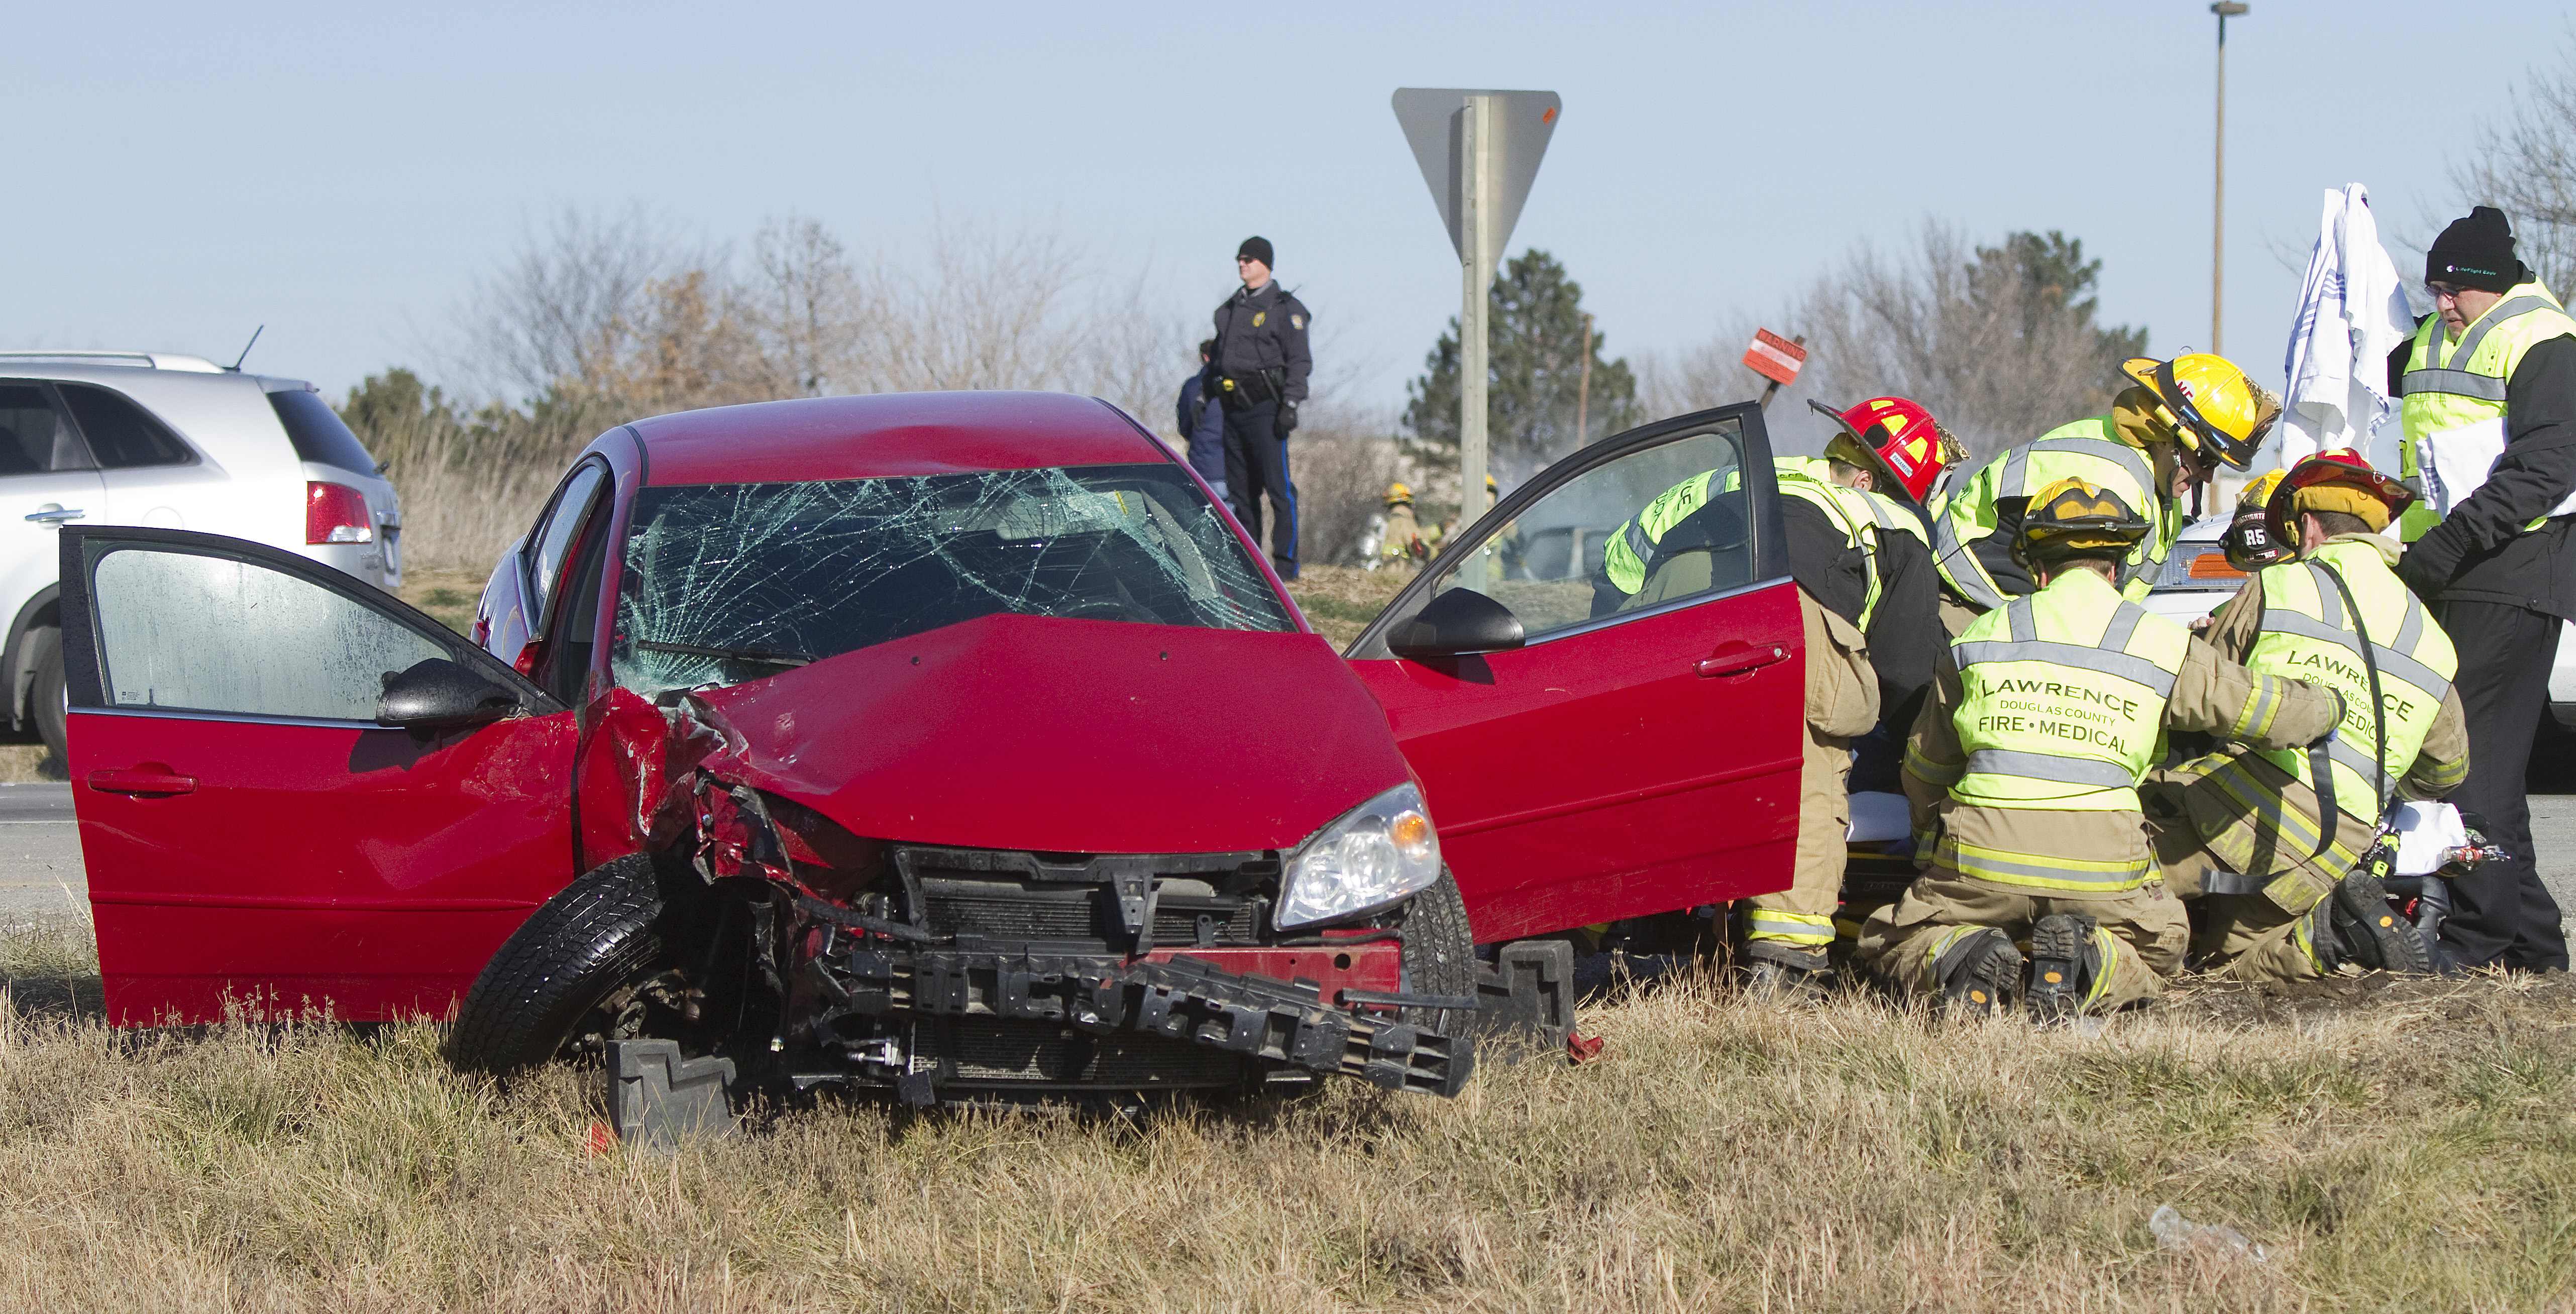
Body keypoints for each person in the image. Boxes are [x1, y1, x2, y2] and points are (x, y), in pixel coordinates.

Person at [1857, 479, 2339, 1016]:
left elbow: (1926, 766)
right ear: (2116, 570)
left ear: (2038, 571)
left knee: (1894, 937)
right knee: (2161, 946)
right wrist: (2329, 706)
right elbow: (2262, 711)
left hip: (1981, 856)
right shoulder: (2160, 642)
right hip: (2103, 865)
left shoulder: (1979, 638)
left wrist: (1934, 843)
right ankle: (2092, 961)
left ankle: (1963, 955)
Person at [2144, 450, 2465, 980]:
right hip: (2339, 845)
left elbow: (2199, 695)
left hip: (2243, 804)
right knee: (2230, 966)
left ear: (2309, 526)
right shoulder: (2430, 635)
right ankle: (2331, 940)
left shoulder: (2279, 585)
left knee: (2113, 880)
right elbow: (2445, 772)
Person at [2388, 205, 2576, 973]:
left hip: (2512, 571)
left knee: (2468, 768)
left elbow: (2548, 467)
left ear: (2491, 284)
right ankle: (2534, 952)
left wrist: (2451, 543)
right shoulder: (2438, 333)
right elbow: (2372, 370)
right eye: (2432, 289)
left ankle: (2474, 942)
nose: (2441, 304)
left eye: (2453, 291)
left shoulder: (2543, 340)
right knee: (2487, 771)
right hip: (2455, 570)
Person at [1933, 354, 2278, 634]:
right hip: (1972, 611)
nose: (2209, 475)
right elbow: (2080, 616)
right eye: (2205, 458)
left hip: (2011, 617)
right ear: (2167, 434)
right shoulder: (2112, 489)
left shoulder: (2150, 479)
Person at [1212, 236, 1313, 579]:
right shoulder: (1229, 310)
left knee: (1279, 490)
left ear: (1266, 265)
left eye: (1249, 259)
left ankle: (1286, 566)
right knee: (1241, 492)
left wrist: (1291, 403)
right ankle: (1250, 567)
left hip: (1268, 409)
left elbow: (1299, 361)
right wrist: (1203, 398)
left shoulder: (1285, 309)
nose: (1242, 264)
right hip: (1233, 410)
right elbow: (1219, 362)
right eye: (1239, 259)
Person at [1173, 340, 1229, 502]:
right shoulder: (1234, 385)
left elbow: (1184, 426)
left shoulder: (1192, 387)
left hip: (1204, 467)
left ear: (1205, 357)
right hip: (1234, 467)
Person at [1378, 482, 1429, 569]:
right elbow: (1417, 546)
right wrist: (1431, 553)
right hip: (1398, 569)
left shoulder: (1390, 519)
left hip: (1385, 568)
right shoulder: (1404, 520)